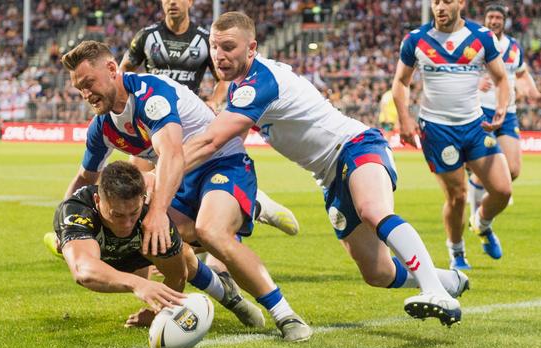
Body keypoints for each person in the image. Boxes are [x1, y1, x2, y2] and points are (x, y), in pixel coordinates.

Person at [183, 11, 469, 327]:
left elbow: (211, 142)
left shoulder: (259, 82)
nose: (219, 56)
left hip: (355, 145)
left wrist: (166, 169)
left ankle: (436, 292)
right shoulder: (242, 88)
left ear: (251, 48)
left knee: (373, 211)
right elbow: (227, 144)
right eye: (214, 47)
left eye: (228, 47)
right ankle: (447, 281)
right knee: (378, 273)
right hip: (330, 177)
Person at [59, 40, 312, 341]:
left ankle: (285, 315)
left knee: (211, 232)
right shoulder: (102, 128)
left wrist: (155, 212)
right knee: (164, 243)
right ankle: (228, 288)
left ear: (112, 69)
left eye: (89, 83)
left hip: (221, 164)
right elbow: (85, 179)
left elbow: (174, 155)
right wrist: (64, 222)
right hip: (176, 178)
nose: (86, 94)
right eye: (79, 89)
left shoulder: (150, 94)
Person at [119, 0, 299, 236]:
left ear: (190, 2)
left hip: (188, 123)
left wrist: (214, 100)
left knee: (192, 184)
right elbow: (124, 71)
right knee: (139, 185)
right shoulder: (146, 36)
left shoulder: (206, 39)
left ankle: (247, 210)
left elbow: (224, 77)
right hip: (151, 122)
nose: (171, 3)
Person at [50, 160, 264, 328]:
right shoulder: (77, 210)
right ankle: (62, 243)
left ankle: (232, 298)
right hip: (98, 253)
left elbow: (176, 275)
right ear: (98, 201)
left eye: (133, 213)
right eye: (117, 214)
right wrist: (138, 284)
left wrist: (159, 312)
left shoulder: (151, 213)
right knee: (100, 266)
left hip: (139, 252)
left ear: (143, 199)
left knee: (186, 256)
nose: (126, 223)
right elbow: (83, 271)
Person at [392, 0, 512, 271]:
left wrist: (502, 108)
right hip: (437, 130)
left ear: (461, 3)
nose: (440, 7)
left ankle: (481, 224)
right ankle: (457, 253)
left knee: (503, 190)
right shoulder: (416, 40)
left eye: (446, 1)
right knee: (457, 196)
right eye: (435, 2)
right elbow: (401, 82)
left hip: (475, 125)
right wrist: (404, 119)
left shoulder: (481, 37)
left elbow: (501, 78)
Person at [470, 2, 541, 252]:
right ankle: (480, 221)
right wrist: (477, 81)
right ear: (485, 19)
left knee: (512, 170)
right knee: (484, 170)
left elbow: (520, 73)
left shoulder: (513, 47)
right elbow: (461, 72)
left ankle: (478, 212)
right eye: (490, 17)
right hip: (481, 112)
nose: (494, 21)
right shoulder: (475, 44)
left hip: (508, 113)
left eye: (498, 17)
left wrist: (531, 90)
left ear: (504, 21)